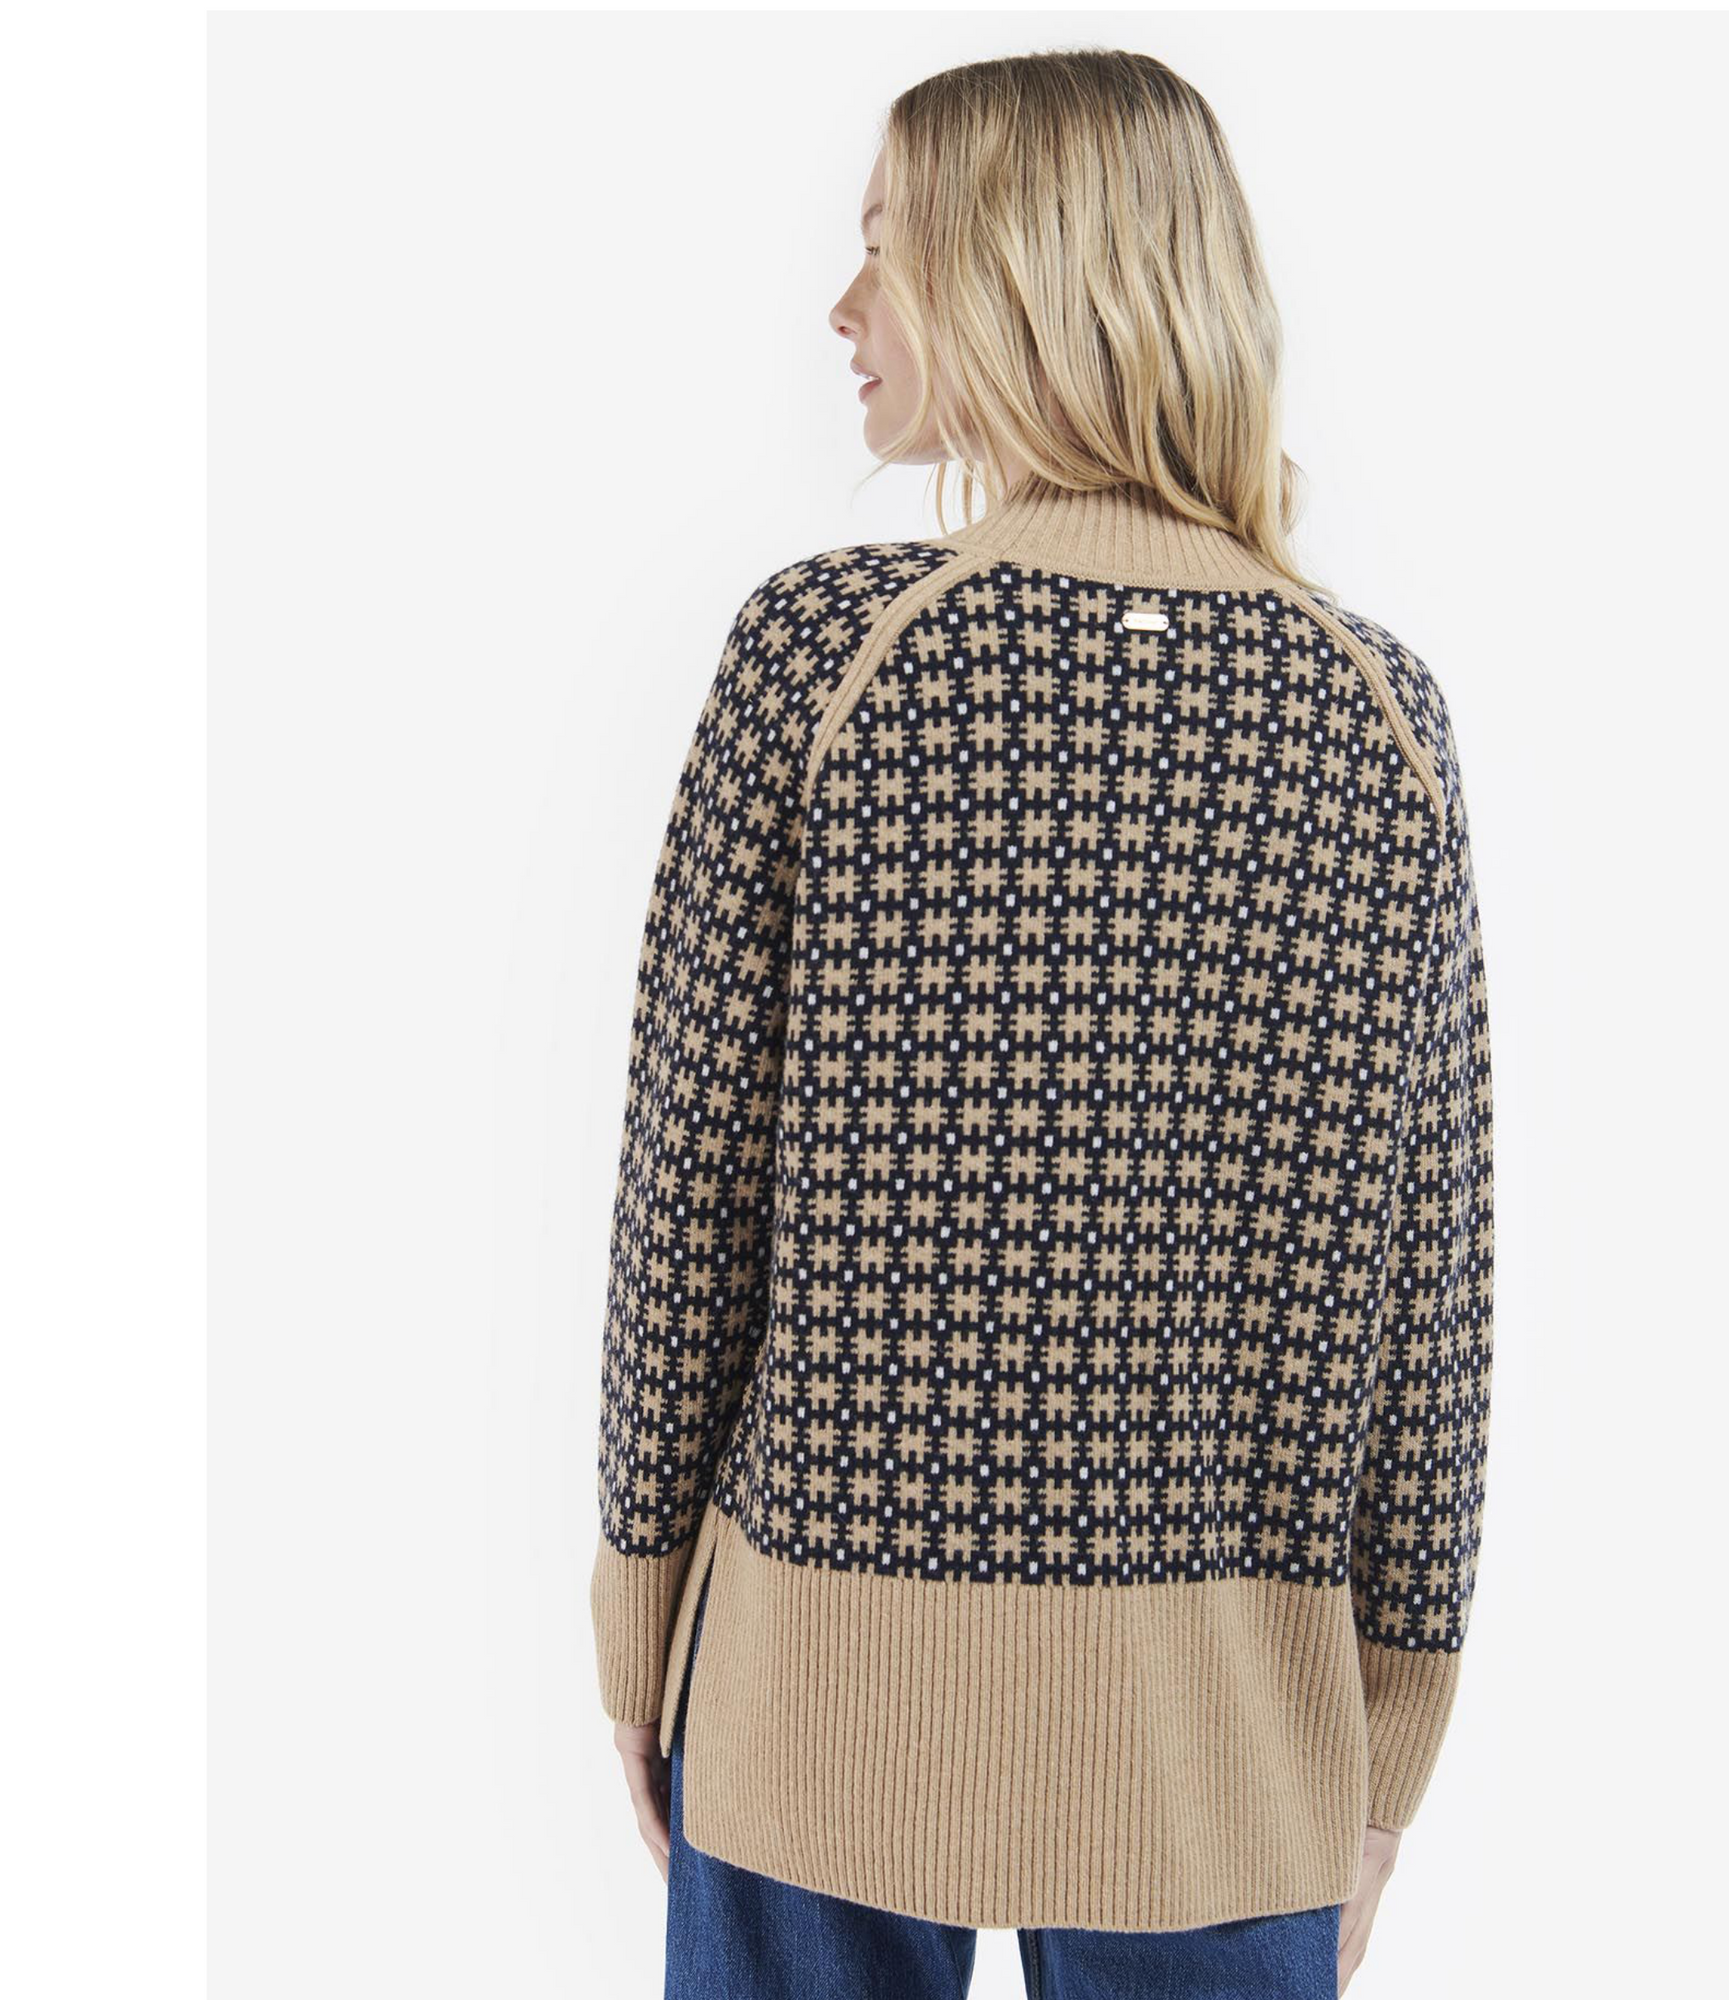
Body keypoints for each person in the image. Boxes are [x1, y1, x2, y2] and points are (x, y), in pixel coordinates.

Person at [590, 47, 1494, 2000]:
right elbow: (1430, 1298)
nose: (843, 308)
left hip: (812, 1691)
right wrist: (1390, 1727)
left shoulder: (827, 659)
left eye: (885, 249)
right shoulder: (1373, 717)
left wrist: (642, 1622)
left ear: (1017, 271)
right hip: (1228, 1740)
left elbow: (686, 1207)